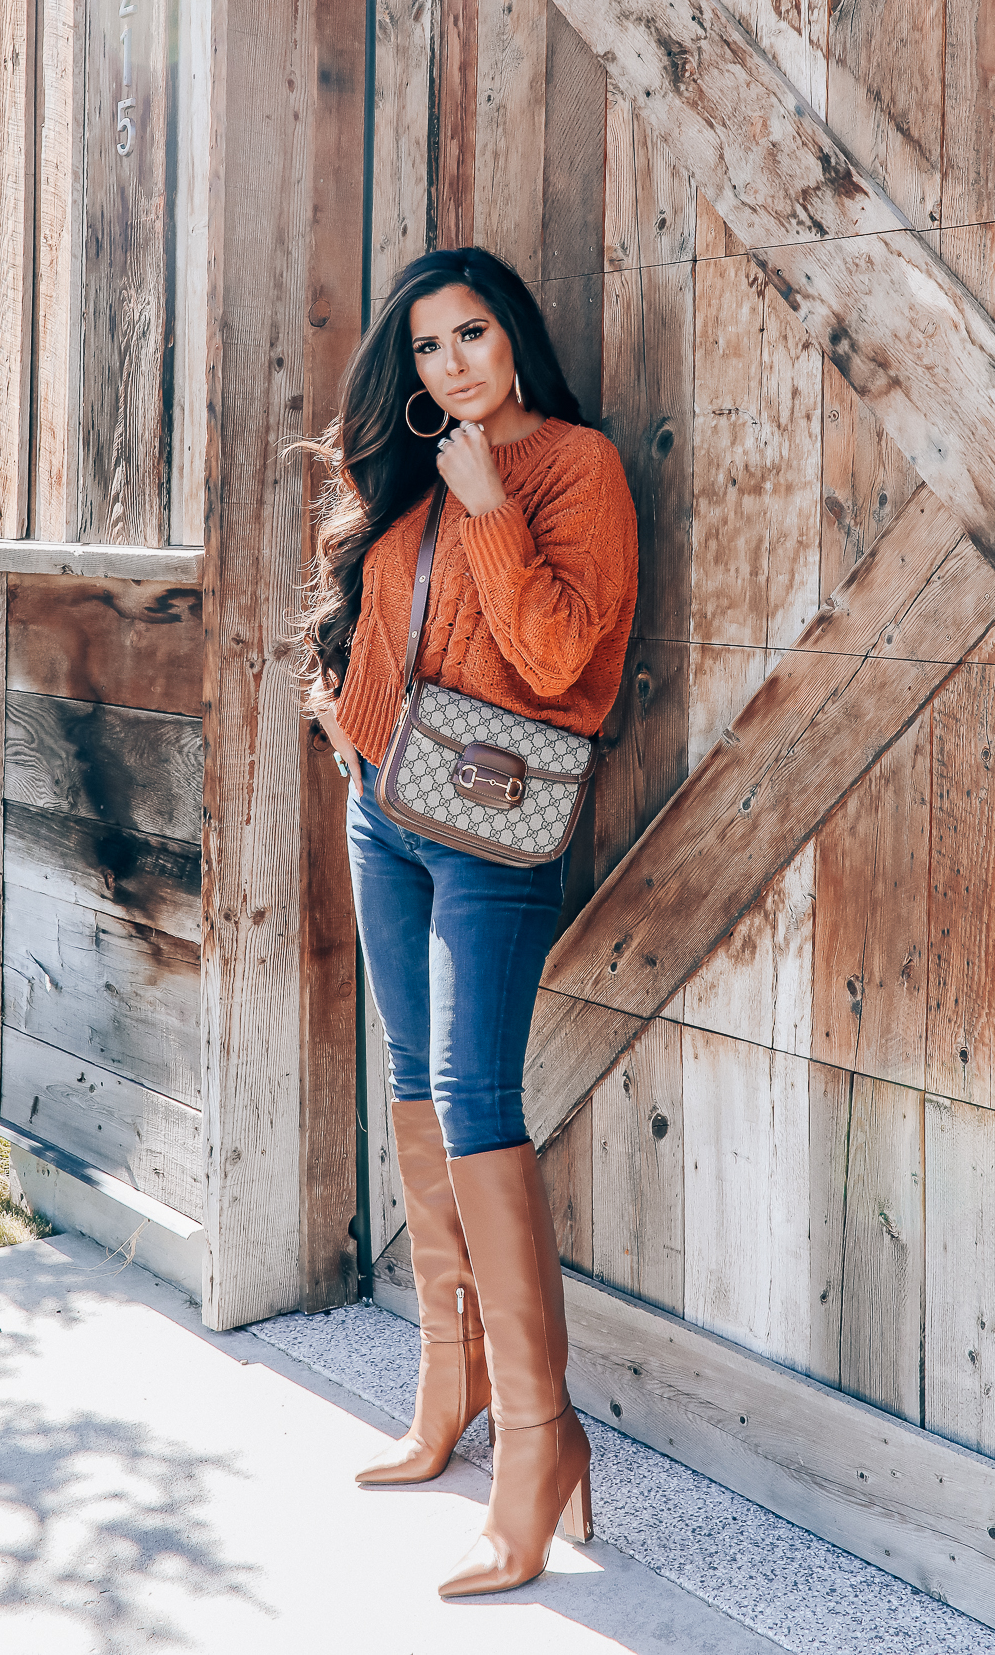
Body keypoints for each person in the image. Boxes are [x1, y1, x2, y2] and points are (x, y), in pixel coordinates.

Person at [298, 246, 638, 1599]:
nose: (453, 365)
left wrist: (490, 502)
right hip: (385, 808)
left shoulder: (574, 468)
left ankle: (541, 1447)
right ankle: (449, 1391)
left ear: (516, 338)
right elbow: (390, 618)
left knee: (477, 1100)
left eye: (474, 335)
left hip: (497, 833)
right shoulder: (414, 466)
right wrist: (344, 728)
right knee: (413, 1089)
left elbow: (562, 658)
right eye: (429, 347)